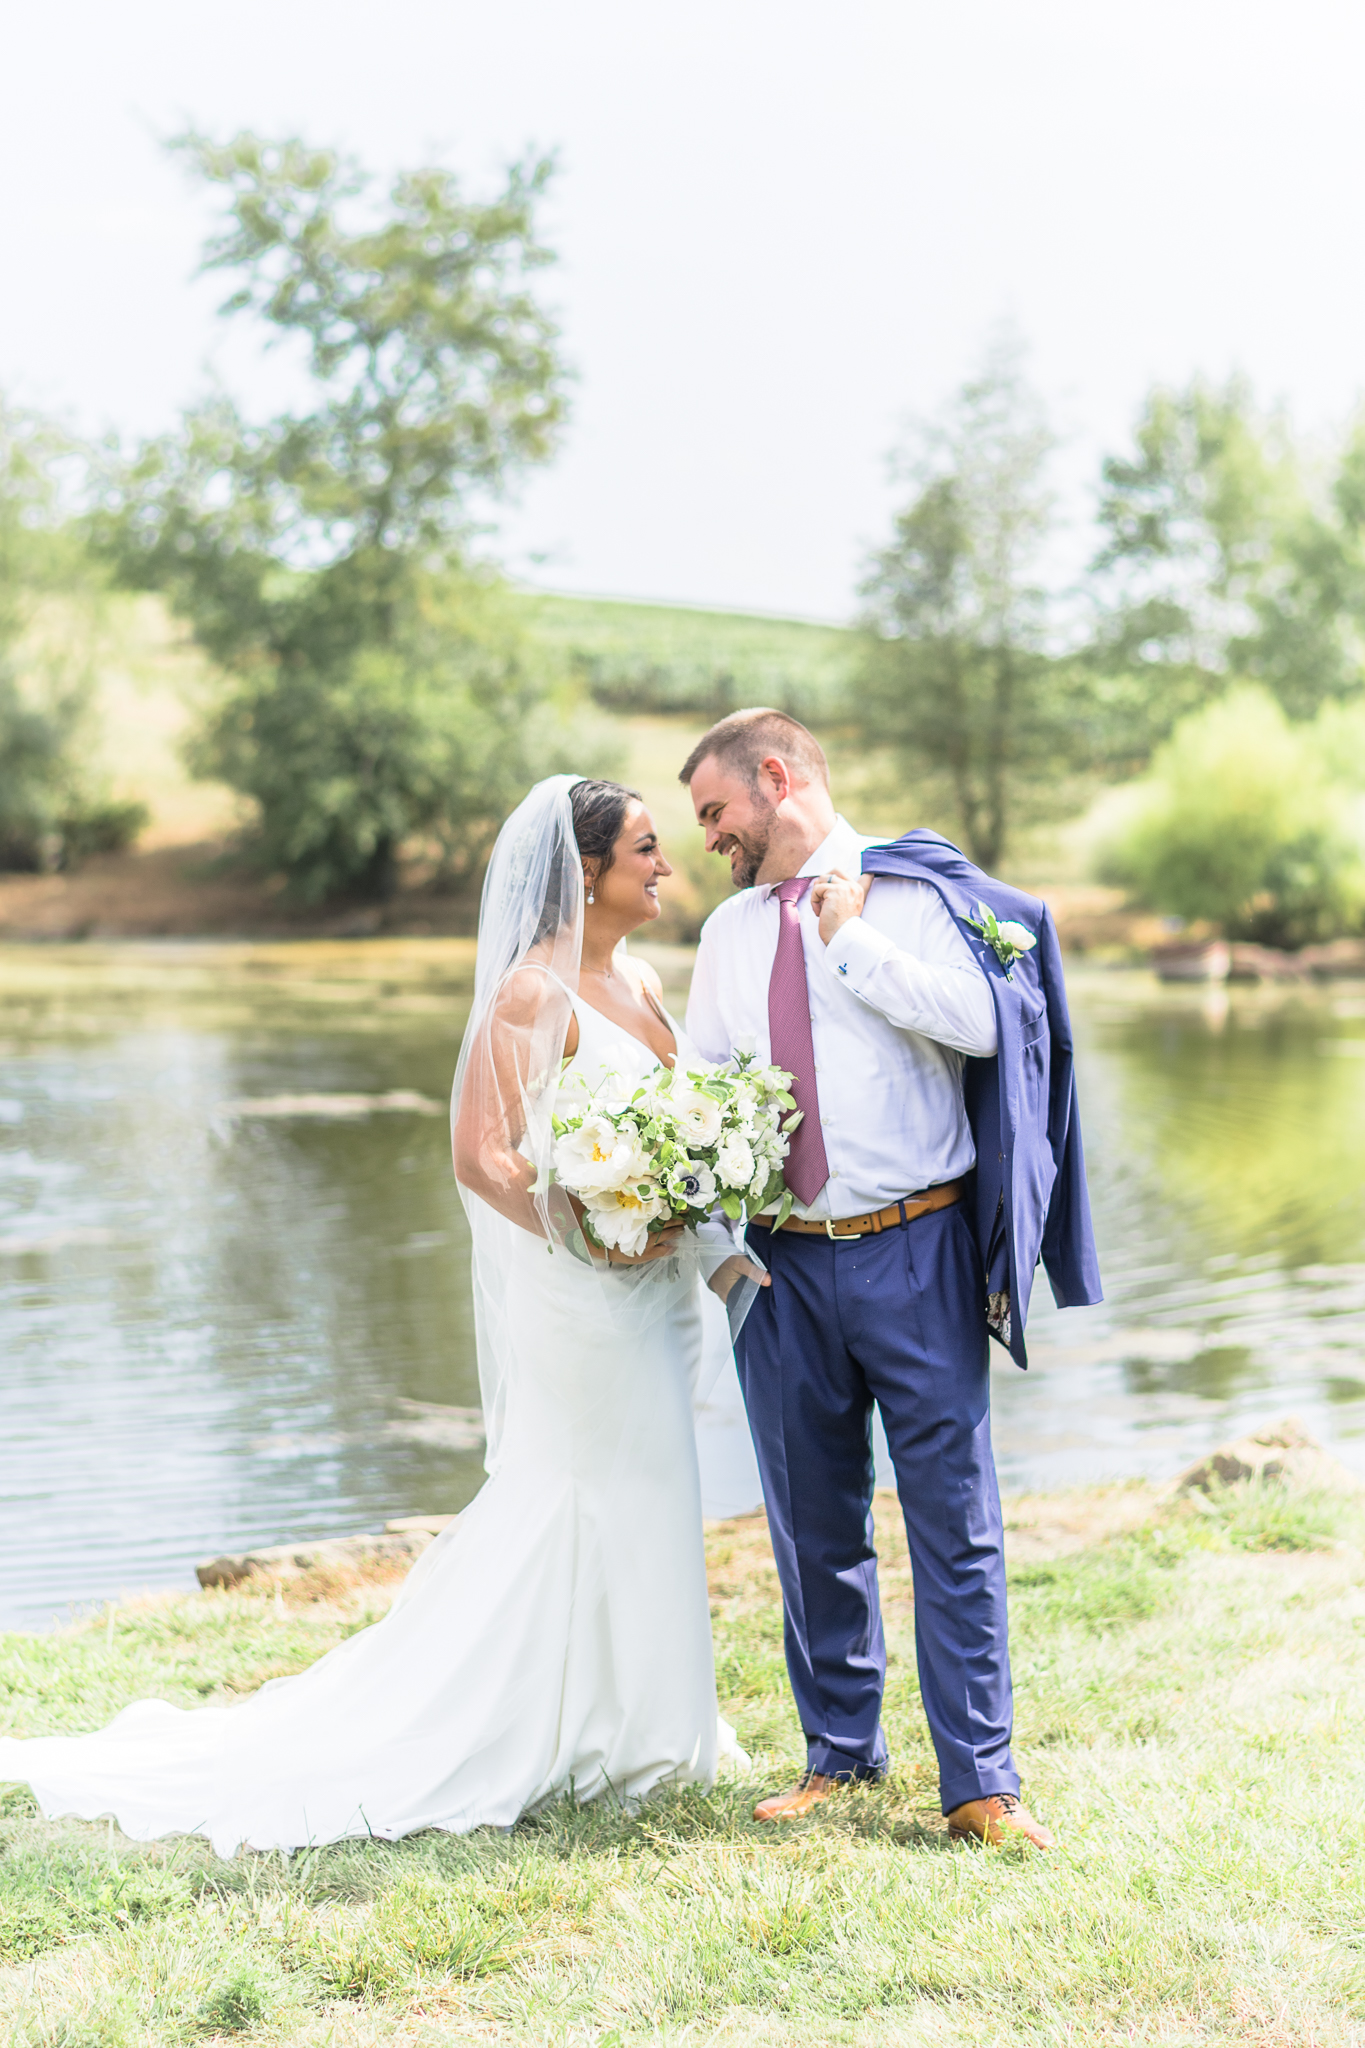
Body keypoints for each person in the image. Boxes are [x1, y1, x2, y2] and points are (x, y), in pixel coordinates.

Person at [0, 775, 757, 1856]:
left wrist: (678, 1197)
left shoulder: (638, 976)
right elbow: (481, 1156)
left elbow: (670, 1122)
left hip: (657, 1292)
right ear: (585, 871)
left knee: (655, 1486)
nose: (666, 863)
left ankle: (647, 1725)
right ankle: (573, 1732)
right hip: (584, 1297)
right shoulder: (531, 994)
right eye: (645, 846)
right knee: (589, 1490)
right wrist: (589, 1230)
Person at [681, 708, 1099, 1851]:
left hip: (917, 1247)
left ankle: (980, 1782)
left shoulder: (911, 894)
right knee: (811, 1520)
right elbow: (703, 1092)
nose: (708, 836)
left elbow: (988, 1027)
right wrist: (723, 1257)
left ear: (776, 777)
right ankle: (839, 1753)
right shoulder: (723, 935)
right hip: (779, 1267)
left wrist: (854, 943)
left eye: (715, 810)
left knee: (953, 1519)